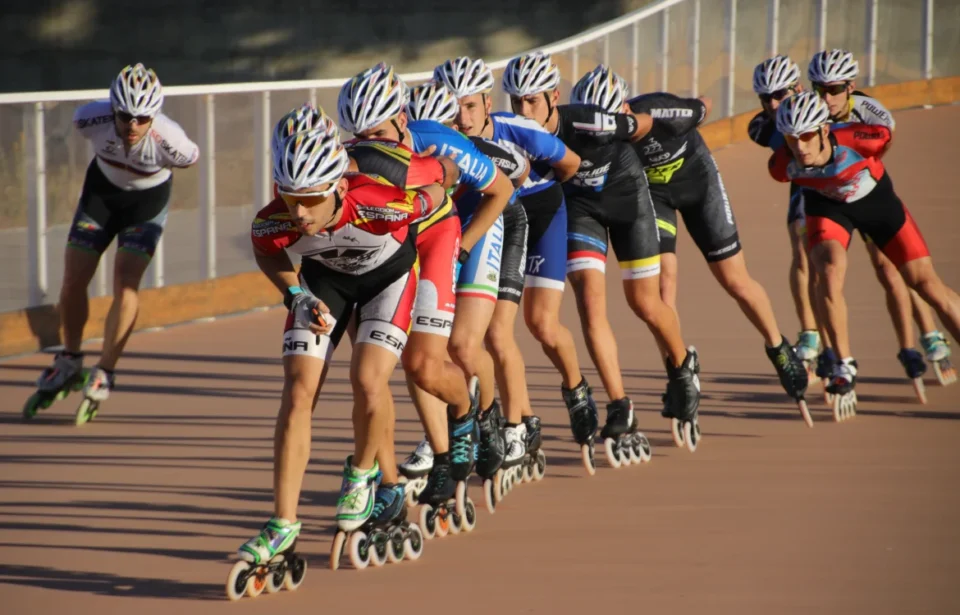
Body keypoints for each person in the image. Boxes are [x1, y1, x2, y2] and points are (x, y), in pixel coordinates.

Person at [237, 113, 449, 576]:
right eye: (290, 198)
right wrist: (294, 295)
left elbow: (438, 189)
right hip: (323, 287)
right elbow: (265, 250)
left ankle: (361, 473)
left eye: (311, 200)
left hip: (388, 282)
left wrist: (443, 172)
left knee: (368, 380)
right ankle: (283, 521)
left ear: (337, 186)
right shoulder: (272, 221)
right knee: (297, 393)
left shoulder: (381, 203)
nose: (300, 214)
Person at [557, 61, 810, 424]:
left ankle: (778, 347)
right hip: (653, 195)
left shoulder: (659, 112)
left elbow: (703, 104)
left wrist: (699, 108)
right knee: (661, 291)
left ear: (625, 111)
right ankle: (678, 371)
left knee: (734, 279)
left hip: (697, 180)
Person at [338, 64, 514, 515]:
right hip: (381, 251)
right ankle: (399, 478)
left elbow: (501, 189)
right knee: (370, 379)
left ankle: (477, 416)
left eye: (377, 133)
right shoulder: (350, 157)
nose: (368, 148)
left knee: (424, 366)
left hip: (436, 240)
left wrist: (465, 245)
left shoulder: (437, 142)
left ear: (401, 119)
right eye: (359, 138)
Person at [523, 59, 702, 459]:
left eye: (531, 102)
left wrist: (682, 113)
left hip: (629, 203)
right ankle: (620, 404)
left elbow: (647, 123)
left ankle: (681, 366)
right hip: (582, 208)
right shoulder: (537, 128)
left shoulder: (600, 122)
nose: (524, 111)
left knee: (645, 303)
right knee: (589, 300)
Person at [23, 63, 199, 426]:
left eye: (142, 118)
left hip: (146, 204)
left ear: (155, 115)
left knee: (126, 282)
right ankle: (70, 359)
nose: (132, 125)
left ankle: (105, 368)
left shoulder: (174, 141)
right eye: (124, 116)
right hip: (101, 196)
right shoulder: (89, 118)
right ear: (112, 109)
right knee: (73, 280)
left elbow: (191, 160)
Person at [770, 91, 960, 419]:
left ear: (823, 131)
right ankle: (844, 365)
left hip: (875, 203)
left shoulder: (859, 140)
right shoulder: (781, 165)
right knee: (828, 272)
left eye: (805, 136)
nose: (799, 147)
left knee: (925, 284)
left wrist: (855, 101)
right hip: (826, 207)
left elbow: (886, 130)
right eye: (790, 139)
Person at [407, 79, 541, 504]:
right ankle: (443, 438)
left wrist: (465, 245)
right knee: (423, 352)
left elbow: (519, 172)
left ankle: (489, 418)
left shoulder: (471, 150)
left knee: (466, 345)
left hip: (482, 229)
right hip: (432, 238)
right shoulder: (403, 151)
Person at [806, 48, 955, 391]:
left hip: (870, 197)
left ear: (851, 86)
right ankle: (840, 358)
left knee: (902, 274)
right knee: (825, 270)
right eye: (819, 89)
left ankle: (927, 334)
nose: (826, 97)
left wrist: (837, 139)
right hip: (829, 204)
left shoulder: (867, 110)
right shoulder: (806, 111)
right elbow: (770, 131)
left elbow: (883, 137)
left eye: (835, 89)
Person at [748, 55, 827, 377]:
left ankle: (925, 329)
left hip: (846, 181)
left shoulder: (821, 106)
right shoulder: (762, 127)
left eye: (779, 95)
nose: (772, 104)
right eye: (765, 98)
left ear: (796, 87)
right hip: (805, 186)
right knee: (802, 251)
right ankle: (809, 332)